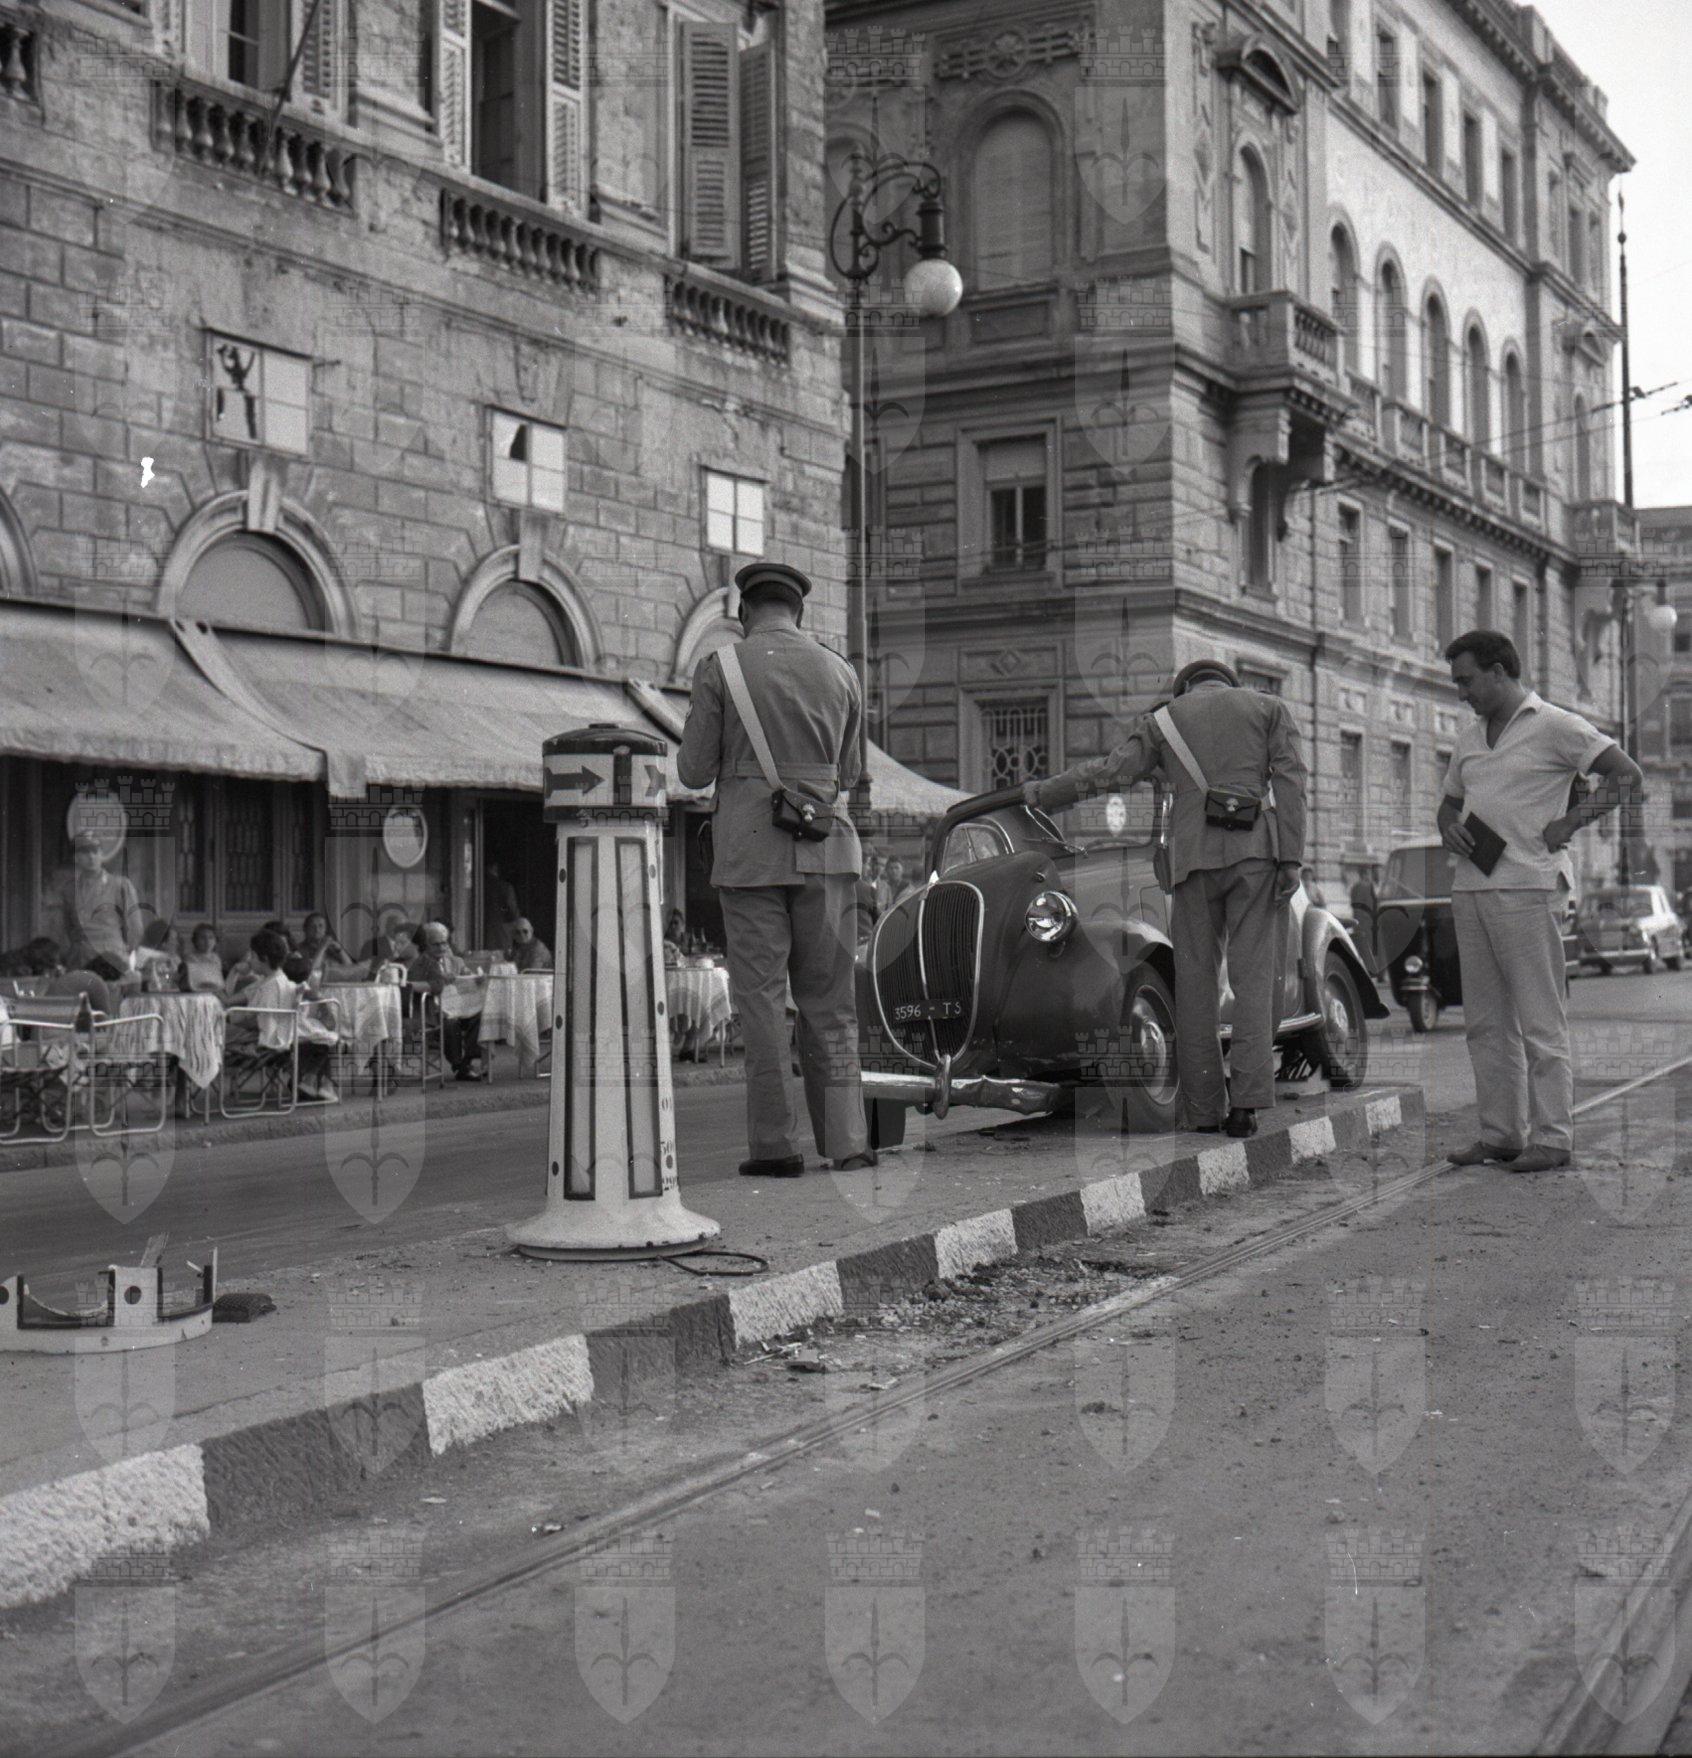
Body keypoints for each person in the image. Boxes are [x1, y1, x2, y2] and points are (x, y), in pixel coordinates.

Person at [1027, 657, 1307, 1139]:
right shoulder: (1268, 709)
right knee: (1254, 982)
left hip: (1191, 860)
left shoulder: (1164, 720)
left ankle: (1203, 1111)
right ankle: (1246, 1106)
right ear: (1228, 682)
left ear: (1185, 688)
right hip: (1256, 857)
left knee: (1195, 986)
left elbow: (1111, 772)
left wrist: (1045, 792)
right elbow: (1292, 783)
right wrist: (1292, 859)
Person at [678, 558, 874, 1175]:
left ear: (744, 611)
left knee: (761, 1004)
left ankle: (774, 1147)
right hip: (827, 850)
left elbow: (692, 771)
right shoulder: (841, 671)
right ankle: (847, 1142)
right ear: (799, 611)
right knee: (832, 1004)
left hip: (750, 856)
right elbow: (849, 774)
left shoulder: (721, 667)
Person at [1438, 630, 1642, 1173]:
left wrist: (1571, 822)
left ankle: (1552, 1138)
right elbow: (1449, 803)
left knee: (1539, 1020)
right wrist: (1447, 828)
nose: (1461, 692)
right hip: (1471, 888)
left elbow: (1626, 774)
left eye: (1467, 680)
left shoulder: (1556, 725)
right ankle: (1501, 1134)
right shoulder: (1469, 736)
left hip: (1529, 887)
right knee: (1485, 1023)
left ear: (1499, 671)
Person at [52, 832, 145, 982]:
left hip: (111, 963)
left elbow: (135, 928)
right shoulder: (69, 890)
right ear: (76, 858)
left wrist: (121, 954)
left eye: (95, 851)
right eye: (84, 852)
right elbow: (68, 928)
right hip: (80, 961)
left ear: (102, 854)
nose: (91, 857)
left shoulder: (120, 886)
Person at [408, 920, 483, 1079]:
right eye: (436, 944)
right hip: (433, 1012)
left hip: (459, 1007)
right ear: (426, 945)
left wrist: (475, 978)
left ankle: (468, 1060)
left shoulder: (456, 961)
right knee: (450, 1023)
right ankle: (459, 1066)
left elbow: (467, 976)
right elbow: (412, 986)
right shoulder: (420, 964)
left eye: (444, 943)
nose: (442, 947)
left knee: (480, 1015)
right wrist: (438, 981)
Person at [297, 912, 353, 980]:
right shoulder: (299, 950)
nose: (317, 930)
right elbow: (311, 972)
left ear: (325, 929)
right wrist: (322, 947)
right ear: (305, 929)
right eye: (312, 926)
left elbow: (350, 968)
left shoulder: (332, 948)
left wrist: (339, 949)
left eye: (321, 926)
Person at [1349, 863, 1382, 975]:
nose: (1370, 876)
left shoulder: (1356, 887)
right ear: (1364, 874)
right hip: (1367, 921)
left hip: (1363, 921)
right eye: (1368, 873)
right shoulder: (1365, 886)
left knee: (1366, 947)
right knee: (1371, 947)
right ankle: (1375, 972)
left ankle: (1372, 971)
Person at [483, 861, 520, 955]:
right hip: (501, 932)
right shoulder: (505, 887)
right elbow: (512, 911)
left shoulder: (480, 886)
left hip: (481, 933)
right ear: (495, 868)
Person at [181, 923, 226, 995]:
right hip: (197, 992)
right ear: (195, 941)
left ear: (216, 940)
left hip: (214, 991)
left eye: (211, 938)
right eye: (202, 938)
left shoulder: (216, 958)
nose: (207, 941)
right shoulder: (191, 959)